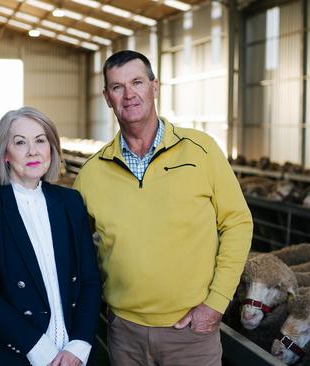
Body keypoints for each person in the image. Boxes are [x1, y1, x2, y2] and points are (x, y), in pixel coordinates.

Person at [73, 50, 253, 365]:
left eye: (137, 82)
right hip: (124, 333)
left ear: (154, 87)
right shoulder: (91, 173)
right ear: (106, 97)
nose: (129, 95)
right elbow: (73, 252)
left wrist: (216, 303)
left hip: (191, 333)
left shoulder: (201, 150)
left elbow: (237, 223)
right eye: (117, 87)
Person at [0, 106, 101, 366]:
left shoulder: (70, 202)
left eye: (40, 140)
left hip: (71, 356)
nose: (33, 151)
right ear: (4, 153)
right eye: (20, 142)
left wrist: (79, 344)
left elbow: (90, 280)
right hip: (9, 353)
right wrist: (40, 349)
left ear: (51, 149)